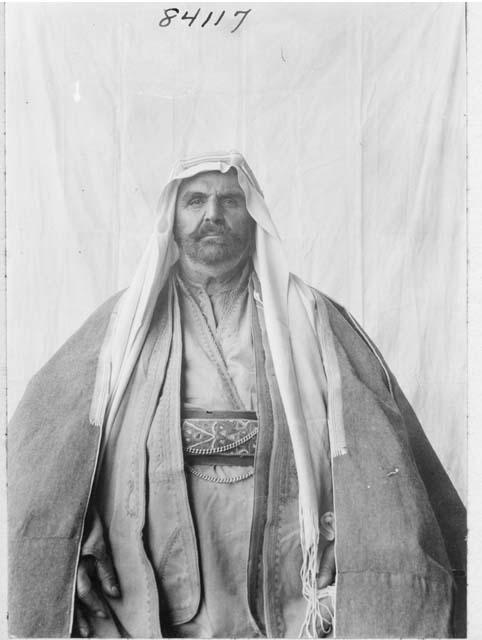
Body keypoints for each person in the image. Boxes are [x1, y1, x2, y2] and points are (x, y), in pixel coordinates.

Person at [8, 151, 466, 639]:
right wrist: (73, 540)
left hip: (286, 594)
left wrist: (357, 537)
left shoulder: (312, 318)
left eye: (229, 200)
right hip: (156, 595)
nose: (213, 214)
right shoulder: (124, 325)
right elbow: (43, 449)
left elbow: (380, 454)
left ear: (253, 215)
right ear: (172, 216)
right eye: (196, 200)